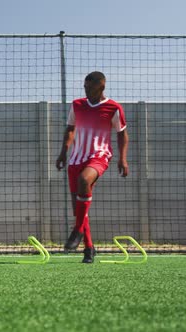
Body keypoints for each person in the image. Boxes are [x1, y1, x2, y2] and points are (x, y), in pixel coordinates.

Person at [56, 72, 129, 263]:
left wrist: (123, 159)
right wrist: (64, 152)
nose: (86, 90)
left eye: (90, 87)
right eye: (84, 86)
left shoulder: (114, 108)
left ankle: (77, 229)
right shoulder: (77, 105)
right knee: (80, 209)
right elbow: (70, 129)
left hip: (99, 156)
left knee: (84, 180)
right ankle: (89, 249)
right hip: (76, 159)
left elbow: (122, 134)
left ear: (101, 87)